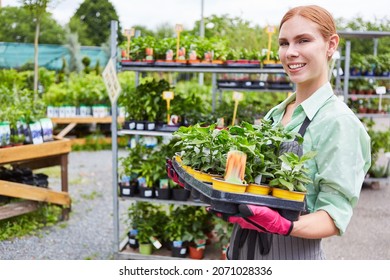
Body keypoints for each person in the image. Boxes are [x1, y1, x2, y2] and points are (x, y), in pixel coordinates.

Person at [223, 5, 371, 260]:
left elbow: (334, 216)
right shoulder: (275, 114)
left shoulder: (339, 123)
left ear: (330, 45)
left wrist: (285, 225)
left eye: (303, 40)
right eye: (284, 43)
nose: (290, 52)